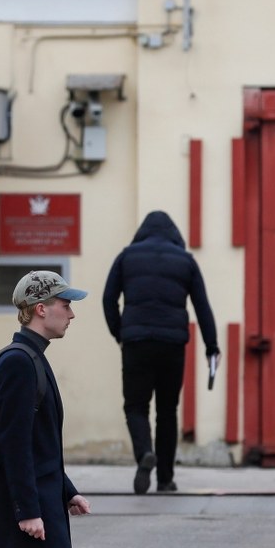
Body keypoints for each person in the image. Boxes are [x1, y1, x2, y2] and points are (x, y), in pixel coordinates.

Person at [0, 270, 92, 548]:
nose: (71, 314)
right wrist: (28, 512)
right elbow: (13, 444)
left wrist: (67, 490)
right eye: (65, 304)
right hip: (27, 512)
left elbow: (38, 442)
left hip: (20, 506)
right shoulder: (19, 362)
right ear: (41, 308)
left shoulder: (30, 357)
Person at [101, 211, 218, 495]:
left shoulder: (127, 257)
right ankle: (165, 480)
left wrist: (121, 333)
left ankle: (144, 454)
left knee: (136, 406)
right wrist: (211, 346)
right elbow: (202, 306)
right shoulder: (185, 260)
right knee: (168, 411)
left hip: (136, 342)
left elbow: (108, 299)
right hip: (172, 344)